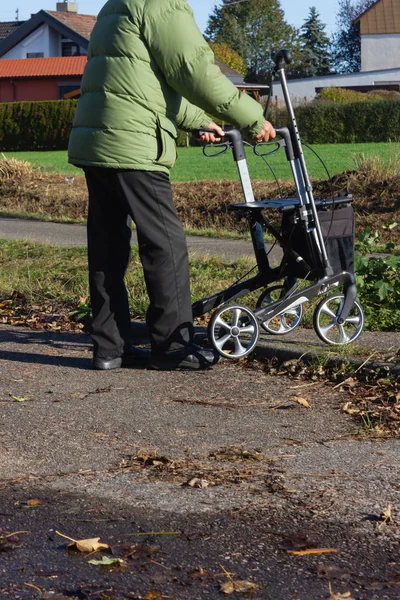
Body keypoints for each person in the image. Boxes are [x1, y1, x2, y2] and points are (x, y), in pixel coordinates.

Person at [68, 0, 276, 371]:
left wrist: (198, 121)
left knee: (107, 248)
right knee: (165, 243)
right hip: (134, 144)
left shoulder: (116, 6)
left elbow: (143, 84)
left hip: (97, 141)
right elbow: (194, 73)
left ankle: (109, 348)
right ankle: (173, 346)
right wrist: (252, 118)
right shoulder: (162, 5)